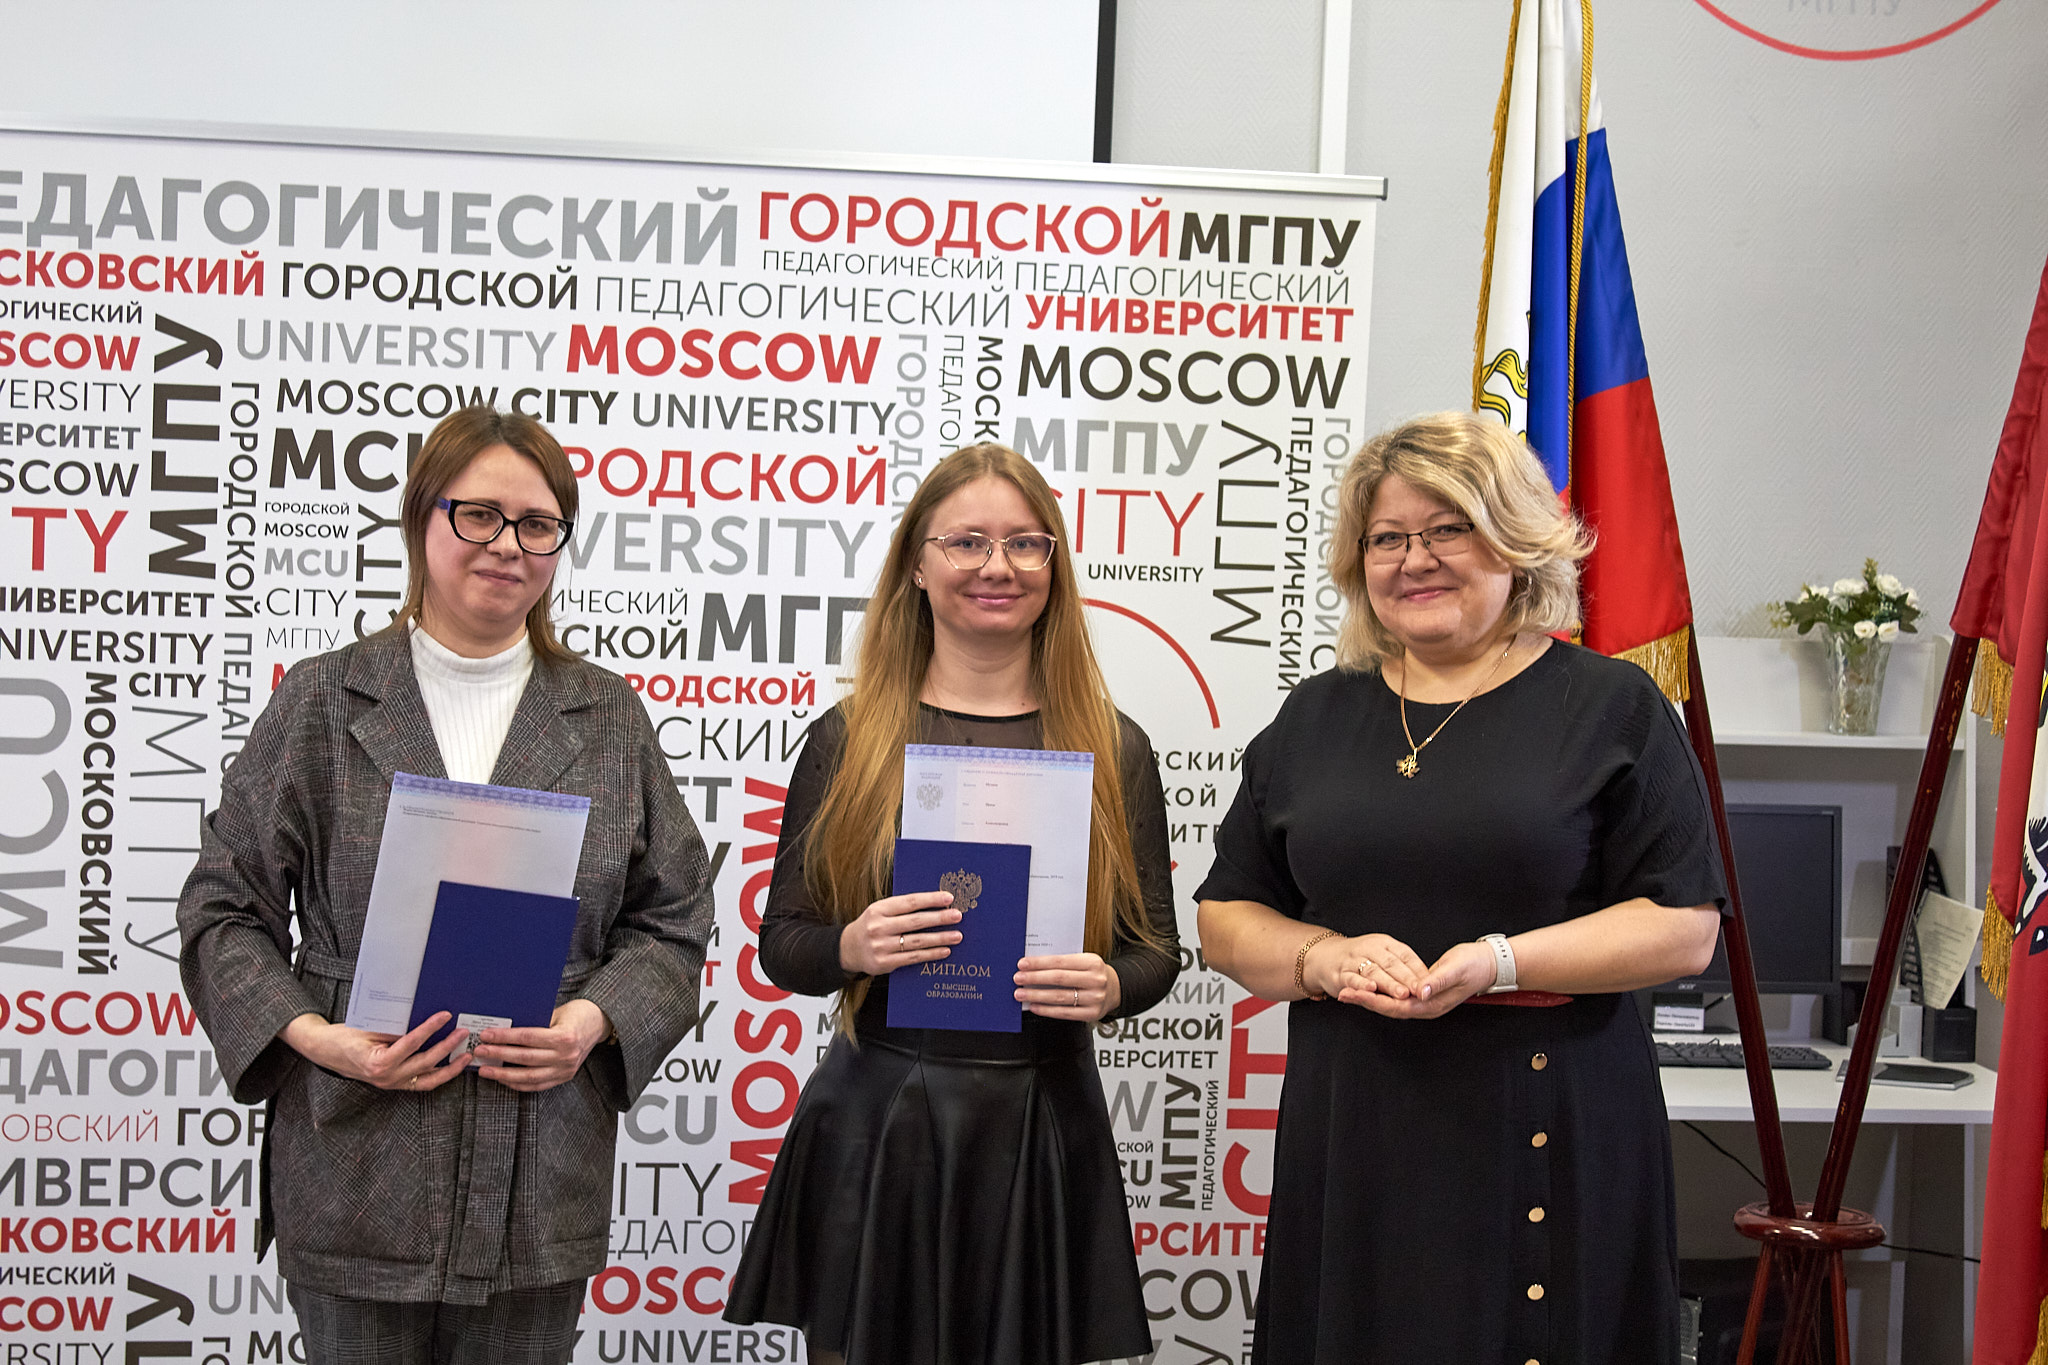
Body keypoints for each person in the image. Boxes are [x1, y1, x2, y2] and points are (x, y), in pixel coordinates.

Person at [177, 407, 715, 1365]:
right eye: (478, 515)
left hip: (539, 1167)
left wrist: (589, 1023)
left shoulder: (606, 716)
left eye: (537, 525)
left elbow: (672, 917)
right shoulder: (323, 698)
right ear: (420, 519)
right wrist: (319, 1038)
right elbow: (224, 907)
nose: (507, 545)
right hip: (356, 1162)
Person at [1195, 411, 1726, 1365]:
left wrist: (1498, 960)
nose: (1416, 559)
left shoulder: (1614, 706)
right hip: (1354, 1123)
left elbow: (1683, 928)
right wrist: (1323, 957)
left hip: (1547, 1111)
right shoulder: (1315, 714)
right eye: (1388, 538)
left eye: (1450, 529)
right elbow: (1227, 916)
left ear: (1516, 543)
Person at [723, 443, 1180, 1365]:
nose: (996, 566)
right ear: (918, 566)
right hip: (882, 1118)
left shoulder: (1113, 744)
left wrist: (1108, 986)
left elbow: (1156, 951)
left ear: (1054, 566)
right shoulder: (850, 737)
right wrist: (853, 945)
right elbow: (784, 943)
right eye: (966, 541)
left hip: (1042, 1118)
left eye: (1025, 543)